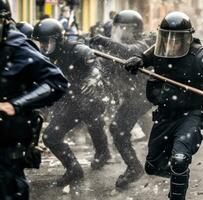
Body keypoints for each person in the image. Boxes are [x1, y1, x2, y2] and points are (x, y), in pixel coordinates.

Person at [124, 11, 203, 200]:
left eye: (176, 39)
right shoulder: (159, 50)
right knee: (152, 167)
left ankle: (178, 192)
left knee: (179, 160)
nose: (170, 43)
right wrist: (138, 60)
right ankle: (180, 175)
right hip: (164, 115)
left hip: (190, 115)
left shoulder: (201, 57)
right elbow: (144, 58)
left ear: (187, 38)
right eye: (166, 38)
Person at [0, 1, 68, 198]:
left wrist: (14, 104)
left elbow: (56, 82)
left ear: (5, 22)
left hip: (7, 145)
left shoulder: (19, 48)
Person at [33, 18, 111, 186]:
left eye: (46, 42)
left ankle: (103, 153)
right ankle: (74, 169)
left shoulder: (77, 49)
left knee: (95, 126)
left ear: (57, 39)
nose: (43, 47)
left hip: (89, 98)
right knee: (51, 137)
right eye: (41, 43)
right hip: (69, 102)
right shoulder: (45, 56)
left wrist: (92, 79)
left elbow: (96, 65)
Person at [89, 10, 154, 189]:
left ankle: (143, 164)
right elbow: (106, 68)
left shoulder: (147, 42)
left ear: (132, 28)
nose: (116, 31)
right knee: (118, 129)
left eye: (120, 27)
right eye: (116, 27)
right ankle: (135, 166)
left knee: (121, 127)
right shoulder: (117, 45)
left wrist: (103, 40)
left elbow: (130, 52)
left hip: (145, 94)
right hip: (133, 96)